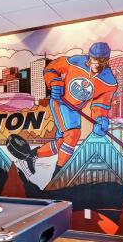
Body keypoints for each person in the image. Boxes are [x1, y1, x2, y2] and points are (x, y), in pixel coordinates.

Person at [30, 42, 118, 177]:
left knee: (62, 142)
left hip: (75, 109)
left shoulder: (109, 82)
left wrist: (100, 119)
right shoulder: (76, 61)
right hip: (61, 102)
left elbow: (100, 104)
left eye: (102, 61)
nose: (97, 64)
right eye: (95, 59)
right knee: (73, 134)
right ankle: (59, 174)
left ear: (107, 60)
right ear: (89, 56)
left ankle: (32, 155)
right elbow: (51, 68)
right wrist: (54, 82)